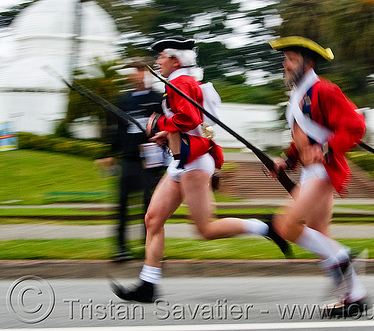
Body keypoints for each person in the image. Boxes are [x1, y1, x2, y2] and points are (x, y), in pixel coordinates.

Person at [111, 36, 289, 303]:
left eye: (161, 57)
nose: (158, 62)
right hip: (182, 160)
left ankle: (266, 227)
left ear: (175, 59)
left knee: (204, 229)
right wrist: (165, 132)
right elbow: (189, 123)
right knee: (153, 219)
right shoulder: (182, 81)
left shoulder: (181, 82)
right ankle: (148, 284)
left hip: (192, 162)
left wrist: (161, 121)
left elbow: (190, 119)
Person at [268, 36, 369, 317]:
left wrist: (324, 149)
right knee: (320, 235)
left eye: (290, 59)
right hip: (311, 170)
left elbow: (355, 126)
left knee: (285, 225)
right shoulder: (299, 94)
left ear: (308, 62)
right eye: (285, 59)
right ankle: (354, 295)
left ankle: (344, 256)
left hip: (324, 170)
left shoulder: (323, 89)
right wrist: (287, 160)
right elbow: (303, 137)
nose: (285, 64)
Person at [106, 59, 166, 262]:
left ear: (147, 74)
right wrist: (109, 153)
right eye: (133, 72)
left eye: (141, 71)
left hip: (152, 160)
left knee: (151, 206)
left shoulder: (157, 99)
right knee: (122, 203)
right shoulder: (123, 100)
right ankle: (121, 248)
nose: (137, 75)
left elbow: (166, 125)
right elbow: (117, 129)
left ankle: (149, 246)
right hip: (129, 158)